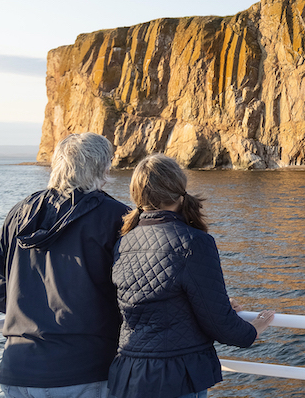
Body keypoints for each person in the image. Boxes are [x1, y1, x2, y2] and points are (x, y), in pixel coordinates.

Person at [109, 154, 275, 398]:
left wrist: (205, 305)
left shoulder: (124, 242)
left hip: (129, 372)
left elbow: (150, 305)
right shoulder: (193, 242)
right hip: (175, 377)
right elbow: (221, 325)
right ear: (179, 190)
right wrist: (254, 328)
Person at [0, 132, 130, 398]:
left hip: (18, 368)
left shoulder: (19, 213)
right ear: (101, 167)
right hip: (84, 368)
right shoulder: (116, 217)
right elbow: (134, 291)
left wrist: (31, 313)